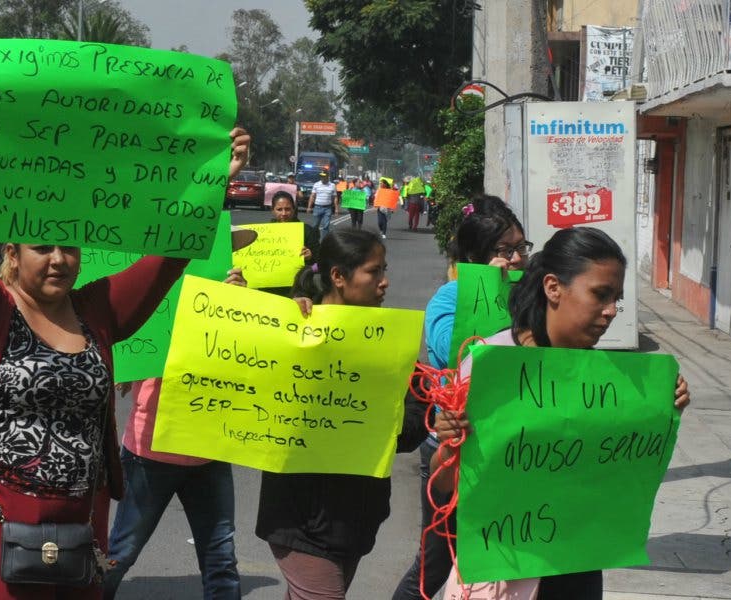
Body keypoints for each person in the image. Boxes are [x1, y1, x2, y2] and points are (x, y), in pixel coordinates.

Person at [0, 94, 251, 599]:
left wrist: (215, 179)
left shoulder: (96, 311)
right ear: (12, 254)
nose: (59, 259)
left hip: (82, 526)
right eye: (42, 247)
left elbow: (167, 256)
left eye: (69, 246)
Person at [428, 226, 691, 600]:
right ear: (553, 288)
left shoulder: (612, 381)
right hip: (504, 572)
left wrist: (663, 408)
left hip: (578, 566)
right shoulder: (491, 366)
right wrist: (450, 444)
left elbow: (626, 470)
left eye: (616, 299)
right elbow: (443, 485)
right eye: (600, 295)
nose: (611, 311)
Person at [255, 228, 430, 599]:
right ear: (338, 276)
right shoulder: (295, 326)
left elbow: (414, 422)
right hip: (300, 520)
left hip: (356, 518)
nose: (384, 281)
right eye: (373, 271)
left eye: (384, 270)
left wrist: (382, 421)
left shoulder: (389, 340)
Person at [390, 194, 529, 600]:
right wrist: (491, 298)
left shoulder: (530, 297)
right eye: (505, 250)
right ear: (475, 256)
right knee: (435, 564)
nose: (516, 259)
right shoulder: (449, 300)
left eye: (521, 247)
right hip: (453, 446)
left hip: (509, 446)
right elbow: (461, 356)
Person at [103, 267, 250, 600]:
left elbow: (255, 358)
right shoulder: (150, 290)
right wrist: (124, 367)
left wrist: (240, 305)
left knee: (220, 558)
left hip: (208, 448)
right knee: (121, 551)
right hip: (150, 450)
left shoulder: (230, 289)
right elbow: (123, 342)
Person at [262, 194, 322, 298]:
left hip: (299, 288)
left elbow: (321, 261)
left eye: (287, 209)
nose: (284, 213)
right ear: (273, 210)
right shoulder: (264, 232)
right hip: (270, 287)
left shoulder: (307, 230)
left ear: (294, 209)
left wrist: (311, 256)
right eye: (279, 209)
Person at [309, 171, 338, 238]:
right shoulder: (316, 184)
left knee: (326, 226)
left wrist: (336, 209)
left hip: (327, 208)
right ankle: (315, 240)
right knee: (315, 225)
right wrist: (309, 207)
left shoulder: (332, 185)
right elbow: (312, 196)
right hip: (317, 207)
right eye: (321, 176)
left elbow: (335, 197)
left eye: (324, 176)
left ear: (327, 177)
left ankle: (324, 241)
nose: (322, 177)